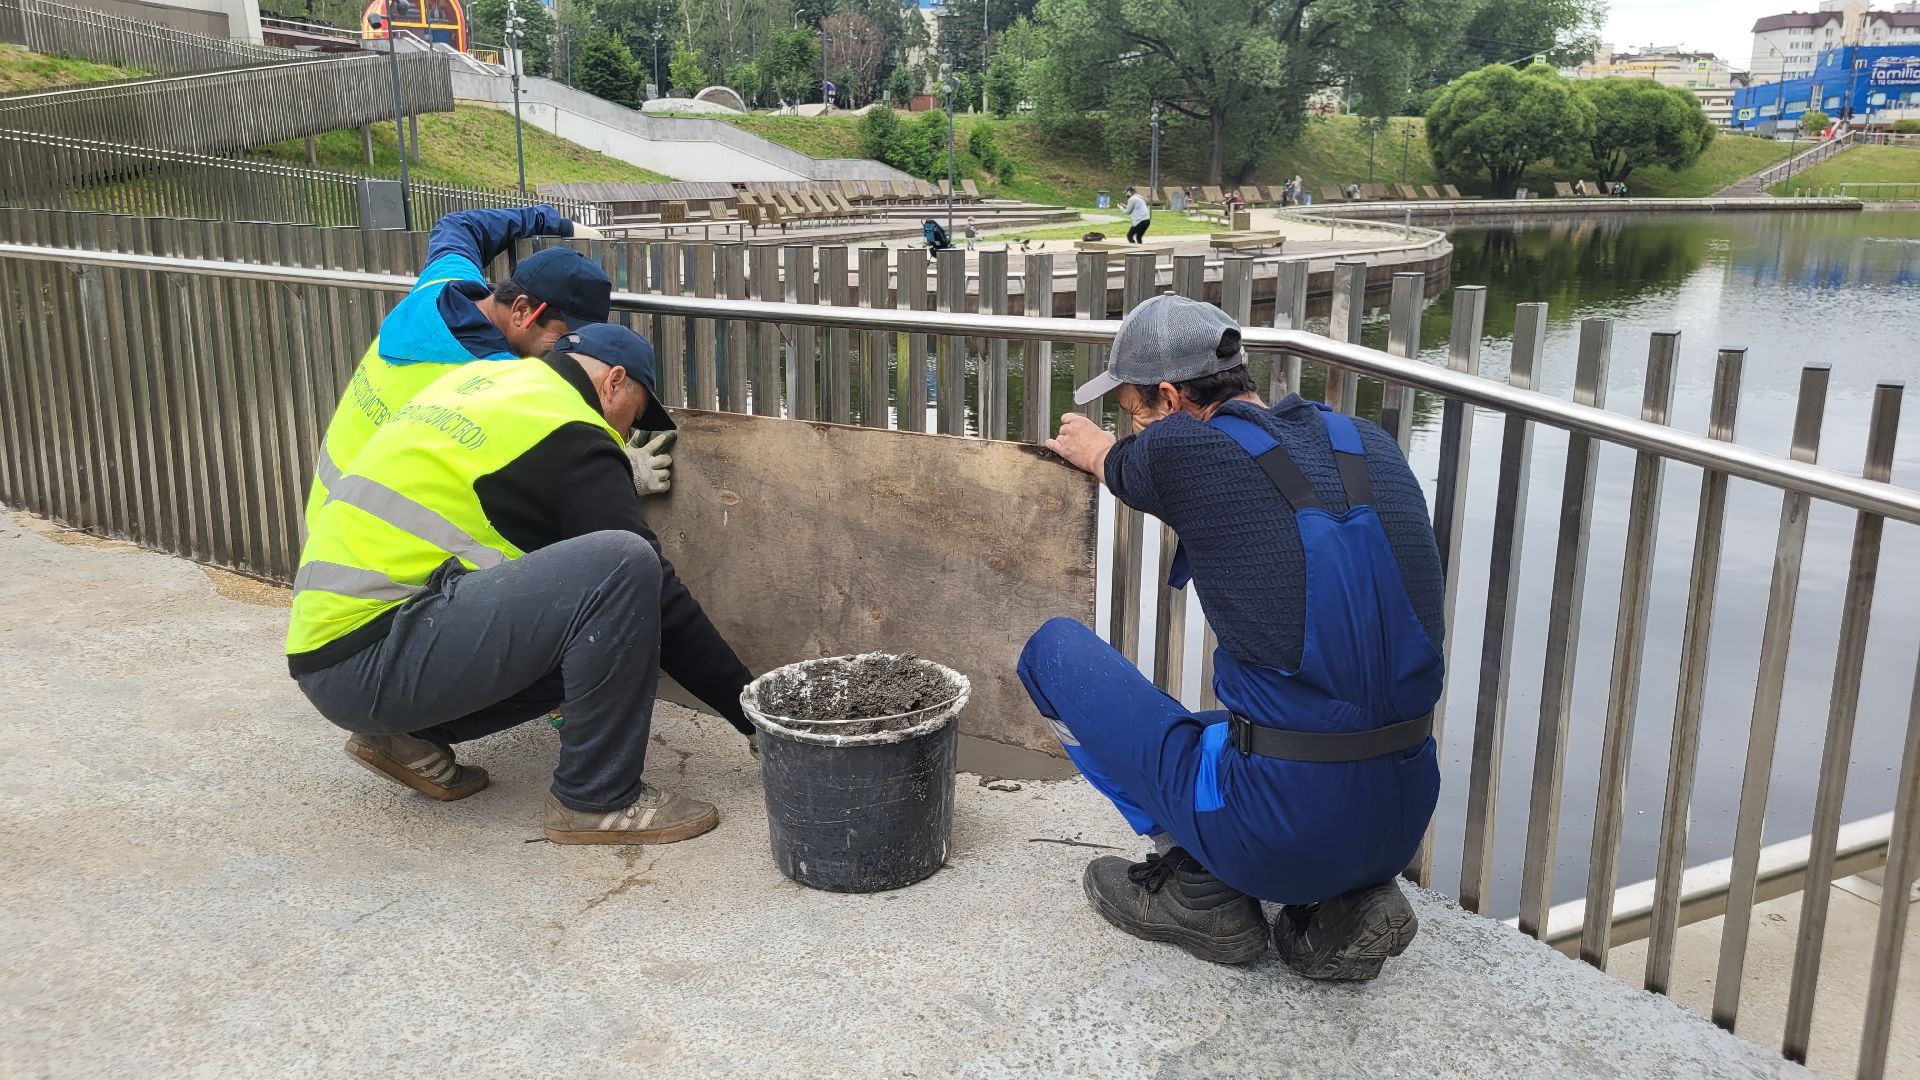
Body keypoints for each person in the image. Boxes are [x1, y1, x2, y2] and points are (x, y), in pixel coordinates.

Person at [1022, 294, 1445, 978]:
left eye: (1131, 409)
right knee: (1254, 722)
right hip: (1403, 815)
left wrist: (1094, 444)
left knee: (1050, 653)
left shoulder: (1180, 445)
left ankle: (1198, 885)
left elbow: (1117, 464)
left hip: (1280, 834)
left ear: (1168, 396)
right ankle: (1347, 899)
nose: (1132, 426)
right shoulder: (1368, 444)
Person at [287, 324, 757, 845]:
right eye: (637, 415)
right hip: (376, 658)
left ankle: (408, 737)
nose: (628, 434)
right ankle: (598, 797)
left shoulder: (485, 382)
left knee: (587, 626)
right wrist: (750, 710)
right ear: (614, 382)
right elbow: (650, 588)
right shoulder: (571, 430)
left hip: (334, 655)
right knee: (628, 563)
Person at [307, 206, 629, 525]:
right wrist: (621, 474)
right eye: (562, 338)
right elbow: (557, 478)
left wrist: (555, 222)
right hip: (371, 542)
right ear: (521, 311)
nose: (566, 354)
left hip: (329, 517)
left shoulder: (441, 287)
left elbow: (459, 224)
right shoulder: (494, 383)